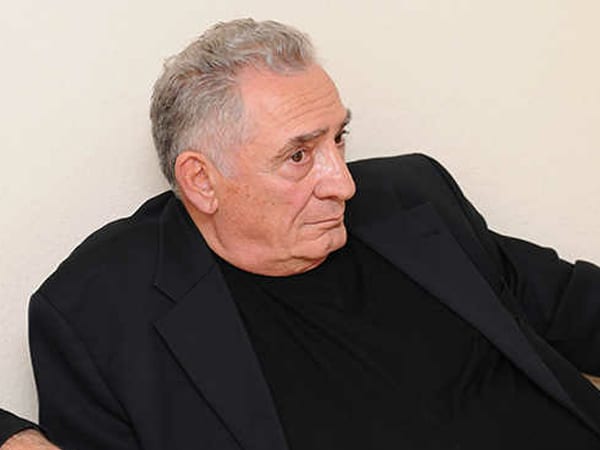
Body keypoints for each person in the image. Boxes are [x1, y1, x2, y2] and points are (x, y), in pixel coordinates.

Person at [29, 18, 600, 450]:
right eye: (299, 155)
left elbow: (576, 306)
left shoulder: (409, 197)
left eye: (338, 138)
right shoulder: (102, 307)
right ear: (201, 180)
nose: (343, 183)